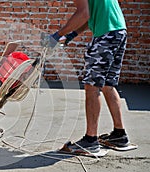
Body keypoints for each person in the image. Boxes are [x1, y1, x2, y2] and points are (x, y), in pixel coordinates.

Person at [41, 0, 130, 154]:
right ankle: (119, 135)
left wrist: (57, 35)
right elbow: (92, 16)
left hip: (106, 35)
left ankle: (91, 140)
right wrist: (72, 35)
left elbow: (83, 14)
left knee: (92, 85)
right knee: (108, 84)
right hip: (119, 32)